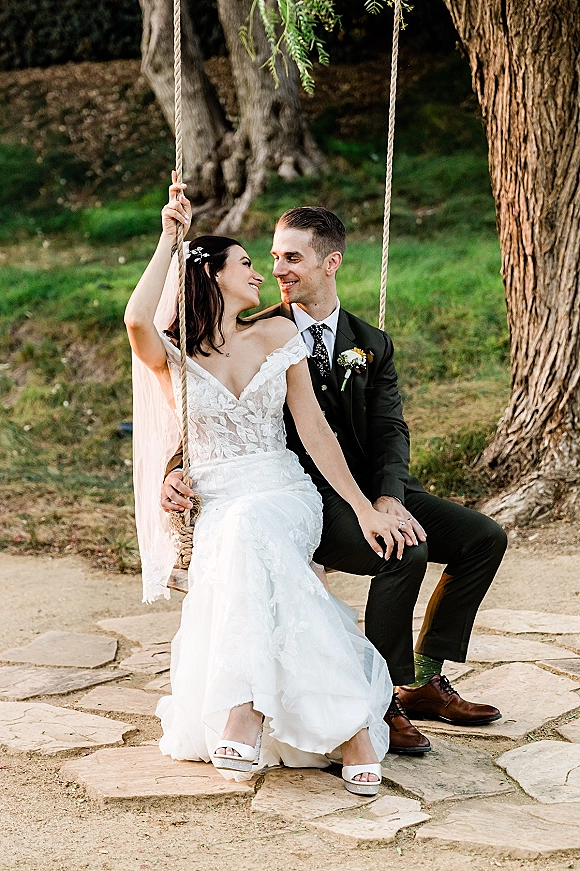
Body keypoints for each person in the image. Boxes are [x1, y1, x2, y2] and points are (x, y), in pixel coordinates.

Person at [162, 205, 508, 755]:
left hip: (371, 490)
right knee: (406, 554)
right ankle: (388, 698)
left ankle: (424, 676)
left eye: (292, 258)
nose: (278, 270)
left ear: (332, 263)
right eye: (273, 258)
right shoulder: (255, 329)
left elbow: (391, 428)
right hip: (300, 495)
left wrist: (390, 497)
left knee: (483, 538)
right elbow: (211, 409)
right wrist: (174, 470)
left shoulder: (370, 342)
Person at [125, 174, 400, 793]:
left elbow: (318, 433)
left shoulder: (279, 335)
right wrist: (171, 238)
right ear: (212, 275)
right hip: (220, 500)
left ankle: (242, 715)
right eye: (247, 262)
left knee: (250, 532)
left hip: (281, 489)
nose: (263, 273)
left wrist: (361, 506)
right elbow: (136, 315)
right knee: (254, 554)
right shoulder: (172, 355)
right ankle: (352, 730)